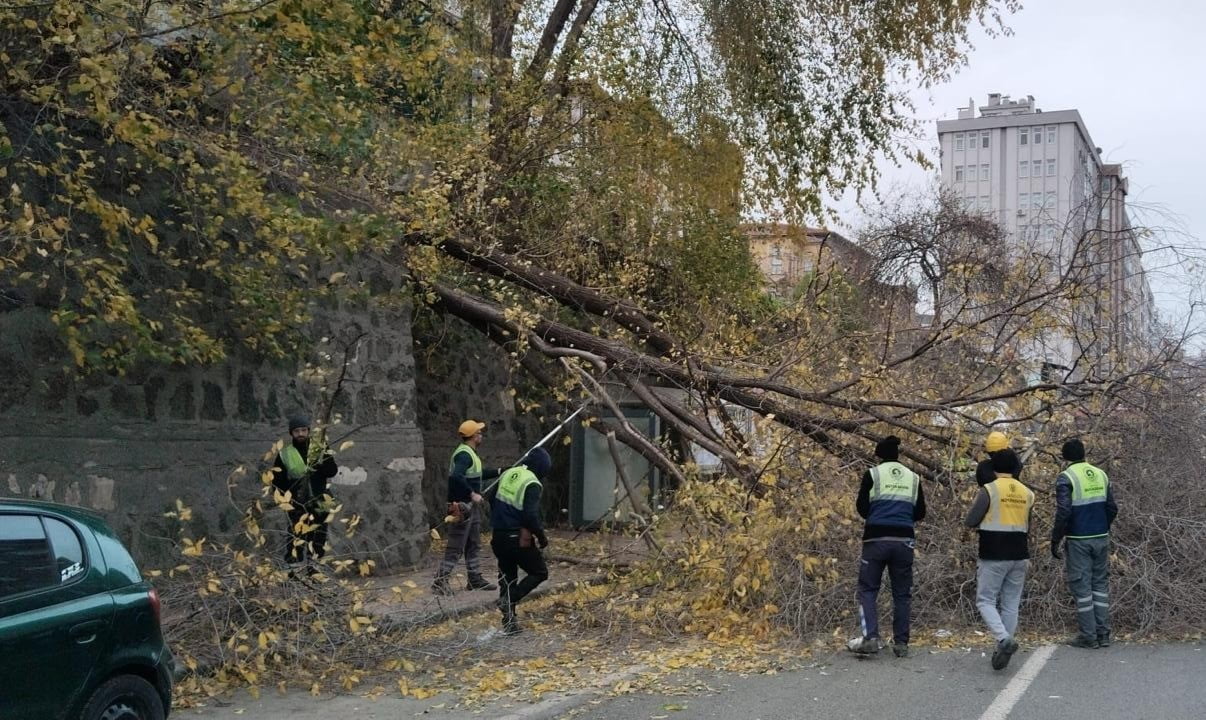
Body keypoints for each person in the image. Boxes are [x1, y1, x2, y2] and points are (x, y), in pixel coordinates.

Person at [848, 436, 926, 658]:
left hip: (876, 540)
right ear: (898, 455)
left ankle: (870, 638)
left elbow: (862, 507)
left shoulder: (872, 475)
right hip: (904, 542)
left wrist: (878, 514)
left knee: (868, 589)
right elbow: (920, 512)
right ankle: (901, 644)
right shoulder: (913, 478)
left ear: (879, 455)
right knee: (902, 593)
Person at [963, 448, 1034, 670]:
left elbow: (971, 520)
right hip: (1020, 552)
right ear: (1015, 468)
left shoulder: (989, 490)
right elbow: (1028, 525)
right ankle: (1004, 643)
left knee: (985, 600)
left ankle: (1004, 639)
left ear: (994, 468)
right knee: (1011, 602)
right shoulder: (1027, 493)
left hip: (993, 551)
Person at [1051, 438, 1118, 649]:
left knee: (1082, 588)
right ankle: (1103, 634)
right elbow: (1112, 507)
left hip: (1079, 539)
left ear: (1065, 458)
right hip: (1101, 537)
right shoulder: (1101, 474)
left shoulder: (1066, 477)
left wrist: (1056, 538)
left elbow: (1063, 511)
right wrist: (1102, 526)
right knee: (1100, 586)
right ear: (1084, 454)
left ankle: (1088, 636)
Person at [432, 420, 503, 595]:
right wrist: (472, 494)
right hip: (461, 507)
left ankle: (474, 578)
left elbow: (478, 475)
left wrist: (501, 471)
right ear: (474, 436)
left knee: (473, 543)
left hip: (470, 508)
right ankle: (440, 581)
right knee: (456, 545)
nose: (482, 435)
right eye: (479, 432)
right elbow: (456, 477)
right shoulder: (463, 455)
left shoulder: (470, 453)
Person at [487, 447, 551, 635]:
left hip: (498, 536)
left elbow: (492, 498)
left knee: (507, 578)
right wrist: (541, 537)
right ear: (542, 468)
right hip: (517, 538)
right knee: (539, 572)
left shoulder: (510, 473)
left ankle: (509, 624)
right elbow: (530, 515)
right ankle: (509, 600)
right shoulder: (532, 483)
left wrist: (502, 519)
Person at [271, 415, 338, 567]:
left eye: (303, 430)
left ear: (308, 431)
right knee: (296, 535)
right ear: (291, 433)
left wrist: (321, 463)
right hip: (297, 502)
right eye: (296, 431)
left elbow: (332, 471)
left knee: (319, 535)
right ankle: (294, 571)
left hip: (321, 499)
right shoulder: (285, 454)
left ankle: (315, 569)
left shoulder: (319, 448)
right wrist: (286, 501)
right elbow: (277, 481)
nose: (300, 434)